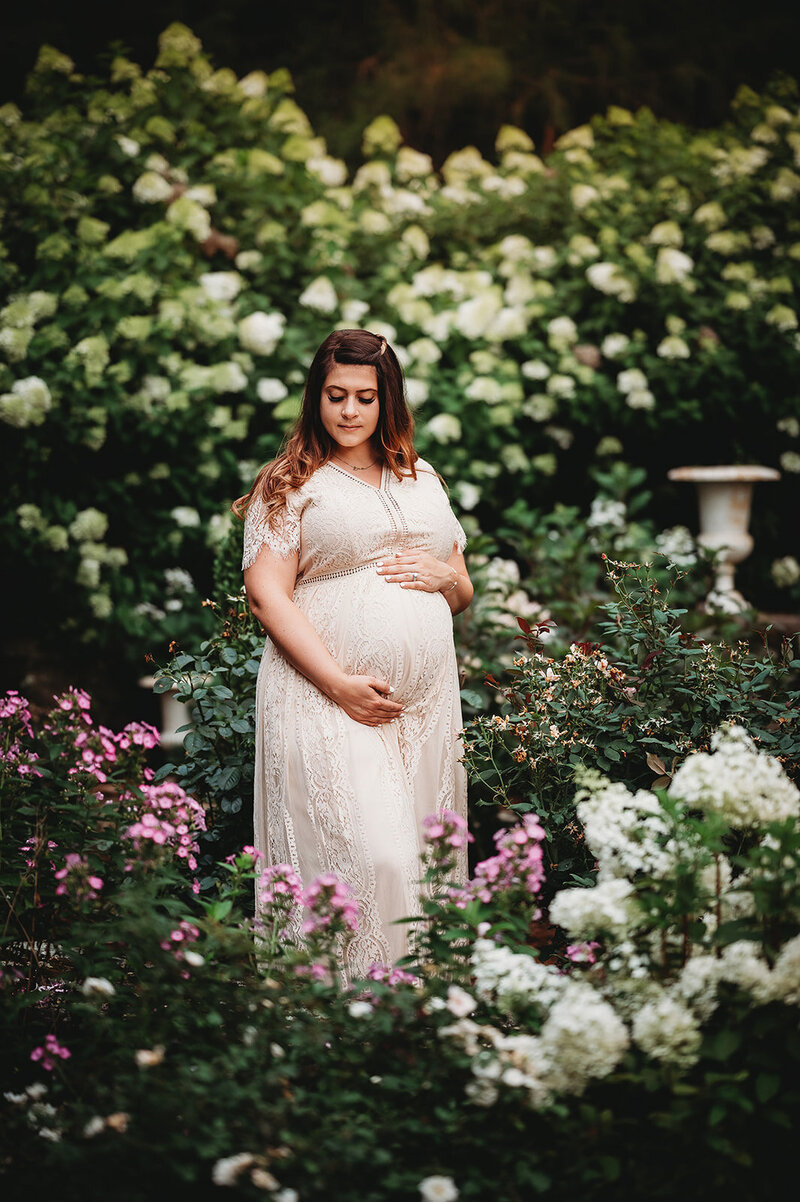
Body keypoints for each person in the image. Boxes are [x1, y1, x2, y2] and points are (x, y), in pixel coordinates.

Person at [237, 328, 473, 978]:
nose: (347, 410)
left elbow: (462, 586)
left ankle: (415, 1015)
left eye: (363, 397)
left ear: (385, 400)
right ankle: (339, 1013)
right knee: (372, 858)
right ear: (316, 398)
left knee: (423, 865)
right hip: (324, 696)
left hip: (420, 708)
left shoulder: (422, 478)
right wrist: (338, 682)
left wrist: (444, 576)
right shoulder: (290, 482)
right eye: (335, 395)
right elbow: (266, 596)